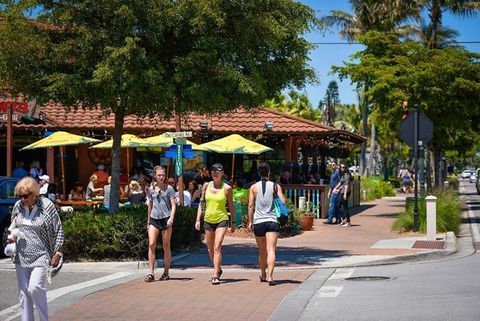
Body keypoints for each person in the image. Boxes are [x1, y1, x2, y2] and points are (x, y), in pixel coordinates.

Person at [10, 177, 64, 321]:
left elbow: (58, 229)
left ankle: (43, 318)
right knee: (24, 294)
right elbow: (13, 227)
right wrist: (11, 238)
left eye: (25, 196)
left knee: (34, 288)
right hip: (21, 256)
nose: (23, 199)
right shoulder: (17, 207)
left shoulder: (47, 206)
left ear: (35, 193)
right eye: (20, 196)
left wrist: (57, 252)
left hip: (41, 255)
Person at [195, 163, 236, 285]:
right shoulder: (206, 185)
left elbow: (231, 207)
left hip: (221, 219)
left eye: (217, 171)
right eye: (212, 171)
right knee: (210, 249)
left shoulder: (227, 188)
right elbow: (202, 204)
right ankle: (218, 268)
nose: (214, 173)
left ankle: (215, 274)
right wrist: (198, 219)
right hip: (208, 219)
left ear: (222, 173)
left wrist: (233, 222)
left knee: (217, 247)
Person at [247, 163, 286, 286]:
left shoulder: (253, 187)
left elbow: (250, 205)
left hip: (258, 221)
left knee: (262, 250)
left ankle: (263, 274)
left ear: (258, 173)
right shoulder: (275, 186)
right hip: (272, 220)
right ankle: (270, 276)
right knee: (271, 249)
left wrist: (249, 221)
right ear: (268, 172)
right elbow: (283, 201)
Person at [144, 166, 176, 282]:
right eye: (159, 175)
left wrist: (171, 218)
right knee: (151, 244)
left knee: (166, 245)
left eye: (163, 175)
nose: (162, 177)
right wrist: (148, 222)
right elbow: (150, 205)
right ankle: (151, 273)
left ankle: (166, 272)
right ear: (154, 176)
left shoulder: (169, 189)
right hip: (154, 218)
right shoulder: (151, 189)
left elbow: (173, 205)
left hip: (166, 218)